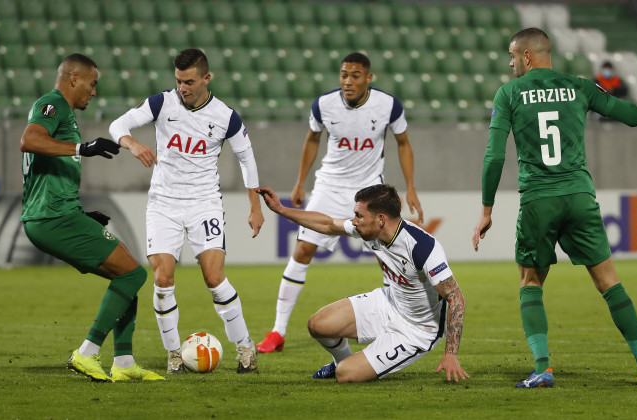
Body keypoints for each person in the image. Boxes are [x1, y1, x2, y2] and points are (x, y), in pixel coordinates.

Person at [472, 28, 637, 388]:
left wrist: (487, 209)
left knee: (530, 282)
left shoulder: (509, 93)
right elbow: (634, 116)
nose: (510, 62)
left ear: (527, 57)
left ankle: (543, 369)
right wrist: (600, 95)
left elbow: (494, 155)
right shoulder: (579, 86)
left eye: (513, 56)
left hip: (538, 200)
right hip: (579, 196)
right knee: (609, 281)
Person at [109, 48, 264, 374]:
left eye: (190, 82)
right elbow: (118, 124)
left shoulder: (225, 116)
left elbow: (247, 159)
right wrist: (132, 144)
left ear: (206, 78)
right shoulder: (161, 103)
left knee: (214, 278)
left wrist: (255, 206)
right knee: (163, 279)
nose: (183, 88)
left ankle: (246, 348)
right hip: (163, 205)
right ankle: (174, 355)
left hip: (203, 204)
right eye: (179, 81)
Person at [257, 52, 424, 354]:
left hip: (369, 189)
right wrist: (299, 181)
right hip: (330, 185)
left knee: (385, 255)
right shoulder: (324, 104)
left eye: (355, 75)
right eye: (344, 74)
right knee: (303, 249)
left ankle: (398, 320)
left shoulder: (389, 106)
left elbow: (403, 143)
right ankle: (277, 332)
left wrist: (411, 187)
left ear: (369, 78)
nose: (348, 81)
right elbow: (312, 139)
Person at [20, 53, 163, 382]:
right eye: (92, 83)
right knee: (132, 274)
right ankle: (86, 354)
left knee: (127, 275)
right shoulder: (51, 104)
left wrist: (84, 214)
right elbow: (28, 140)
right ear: (74, 79)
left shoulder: (64, 113)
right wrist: (81, 149)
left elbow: (48, 174)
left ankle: (124, 364)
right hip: (51, 218)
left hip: (58, 214)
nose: (94, 91)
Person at [257, 184, 466, 383]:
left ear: (381, 220)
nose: (354, 221)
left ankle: (346, 365)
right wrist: (280, 209)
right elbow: (329, 224)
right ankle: (341, 360)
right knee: (317, 325)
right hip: (389, 302)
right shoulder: (370, 229)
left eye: (359, 215)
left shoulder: (422, 248)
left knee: (345, 375)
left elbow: (456, 298)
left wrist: (450, 354)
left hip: (417, 329)